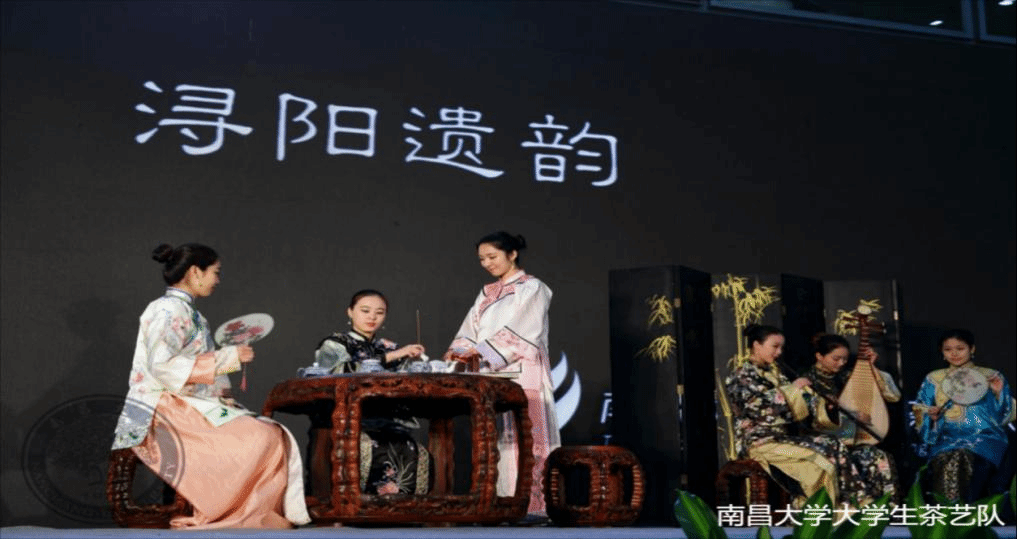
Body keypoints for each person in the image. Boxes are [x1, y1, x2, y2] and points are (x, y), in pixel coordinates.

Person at [111, 243, 309, 529]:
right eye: (215, 272)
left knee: (271, 432)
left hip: (187, 402)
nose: (217, 279)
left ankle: (249, 512)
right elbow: (162, 367)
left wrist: (223, 384)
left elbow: (199, 366)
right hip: (160, 406)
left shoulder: (191, 314)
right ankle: (229, 513)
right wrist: (228, 357)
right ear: (195, 272)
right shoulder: (166, 309)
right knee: (260, 437)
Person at [445, 231, 560, 519]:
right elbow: (469, 329)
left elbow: (526, 330)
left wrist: (482, 350)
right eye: (482, 259)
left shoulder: (533, 287)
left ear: (512, 254)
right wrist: (460, 350)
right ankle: (501, 503)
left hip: (524, 372)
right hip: (490, 374)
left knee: (529, 437)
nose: (487, 263)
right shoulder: (486, 292)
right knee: (498, 441)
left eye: (492, 257)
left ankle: (534, 507)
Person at [307, 289, 429, 498]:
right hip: (345, 420)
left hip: (385, 421)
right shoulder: (335, 343)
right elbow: (334, 373)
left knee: (411, 447)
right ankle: (355, 504)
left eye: (379, 313)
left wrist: (414, 363)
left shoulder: (387, 346)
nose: (372, 317)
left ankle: (402, 508)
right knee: (367, 447)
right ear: (350, 312)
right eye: (365, 311)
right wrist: (391, 357)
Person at [724, 325, 858, 506]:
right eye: (775, 346)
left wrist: (824, 405)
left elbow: (802, 402)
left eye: (781, 347)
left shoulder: (776, 375)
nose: (779, 352)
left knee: (833, 444)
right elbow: (757, 409)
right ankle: (813, 511)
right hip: (760, 441)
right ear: (756, 345)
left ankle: (847, 505)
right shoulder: (741, 375)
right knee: (817, 463)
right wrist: (792, 389)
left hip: (783, 439)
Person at [912, 329, 1014, 502]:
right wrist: (932, 416)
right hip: (946, 439)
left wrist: (998, 394)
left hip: (985, 438)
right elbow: (920, 409)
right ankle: (952, 511)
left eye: (960, 348)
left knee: (962, 456)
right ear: (942, 352)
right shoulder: (933, 378)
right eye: (948, 349)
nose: (954, 354)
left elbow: (1004, 415)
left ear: (972, 349)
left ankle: (956, 511)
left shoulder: (991, 376)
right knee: (949, 456)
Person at [804, 333, 900, 505]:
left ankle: (885, 508)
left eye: (845, 359)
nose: (841, 363)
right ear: (819, 356)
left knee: (878, 456)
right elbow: (809, 416)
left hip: (854, 439)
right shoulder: (807, 381)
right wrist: (852, 416)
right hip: (825, 442)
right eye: (836, 359)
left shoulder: (848, 376)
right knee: (850, 458)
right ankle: (852, 507)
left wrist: (871, 367)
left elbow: (893, 396)